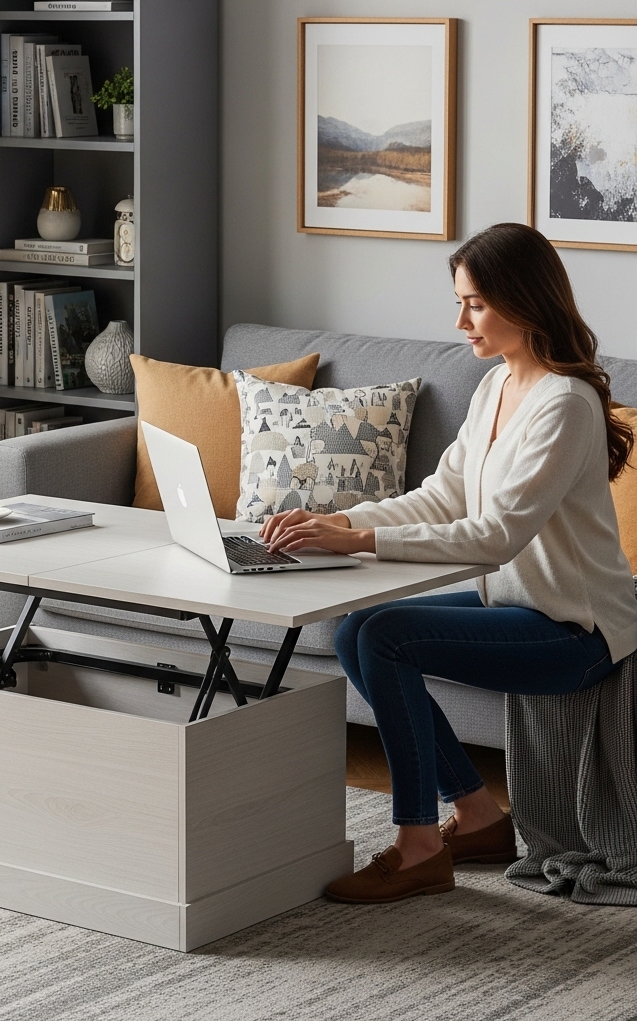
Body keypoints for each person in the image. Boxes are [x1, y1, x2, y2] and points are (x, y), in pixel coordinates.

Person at [260, 222, 637, 904]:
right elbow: (444, 494)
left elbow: (494, 536)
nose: (460, 319)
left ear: (525, 303)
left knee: (383, 635)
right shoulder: (496, 388)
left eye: (476, 304)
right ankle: (479, 816)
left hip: (577, 631)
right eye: (460, 300)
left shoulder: (567, 405)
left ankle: (419, 845)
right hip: (517, 606)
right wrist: (341, 520)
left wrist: (358, 544)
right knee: (356, 630)